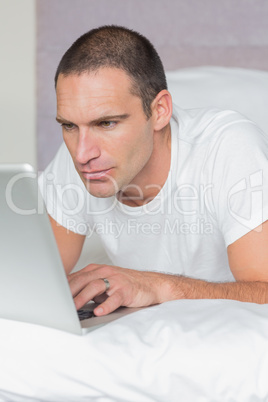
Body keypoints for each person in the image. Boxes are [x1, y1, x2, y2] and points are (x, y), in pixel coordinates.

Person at [39, 25, 268, 317]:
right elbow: (33, 279)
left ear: (160, 111)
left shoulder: (229, 147)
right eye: (69, 125)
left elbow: (264, 290)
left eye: (106, 123)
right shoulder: (80, 155)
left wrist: (158, 287)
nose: (82, 154)